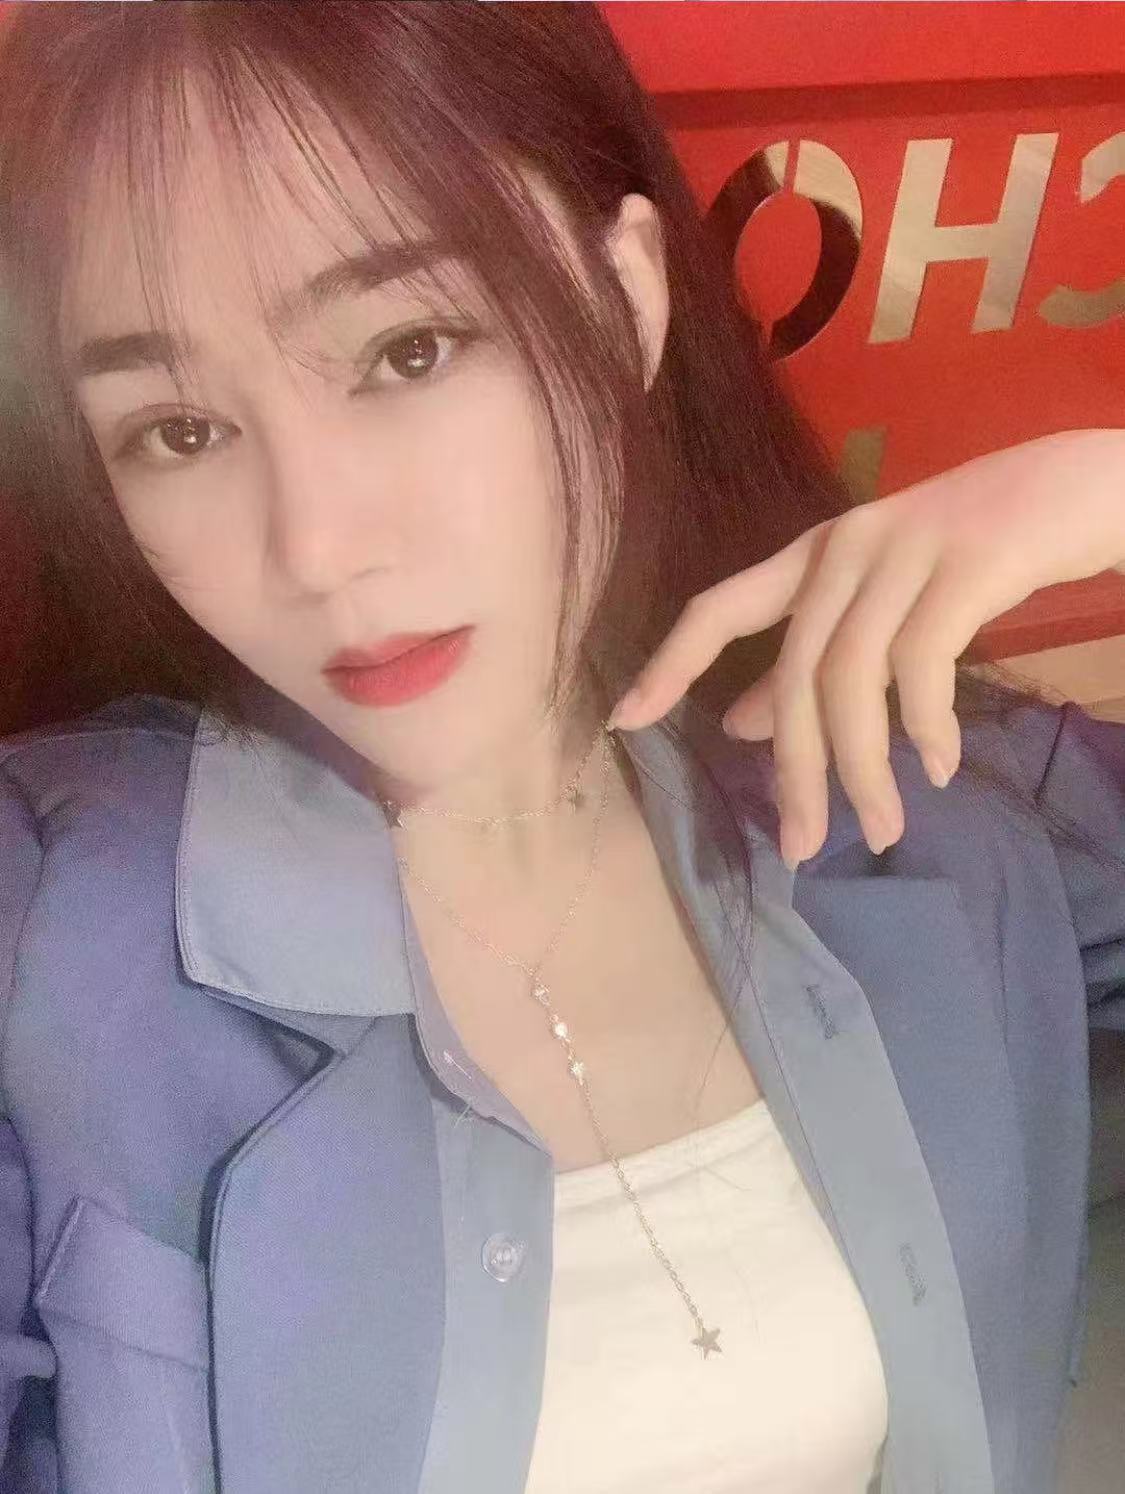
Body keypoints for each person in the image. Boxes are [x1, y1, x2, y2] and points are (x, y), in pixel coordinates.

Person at [0, 5, 1123, 1492]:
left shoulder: (925, 794)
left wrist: (1106, 485)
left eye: (407, 350)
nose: (318, 548)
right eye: (180, 431)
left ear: (626, 300)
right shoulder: (51, 925)